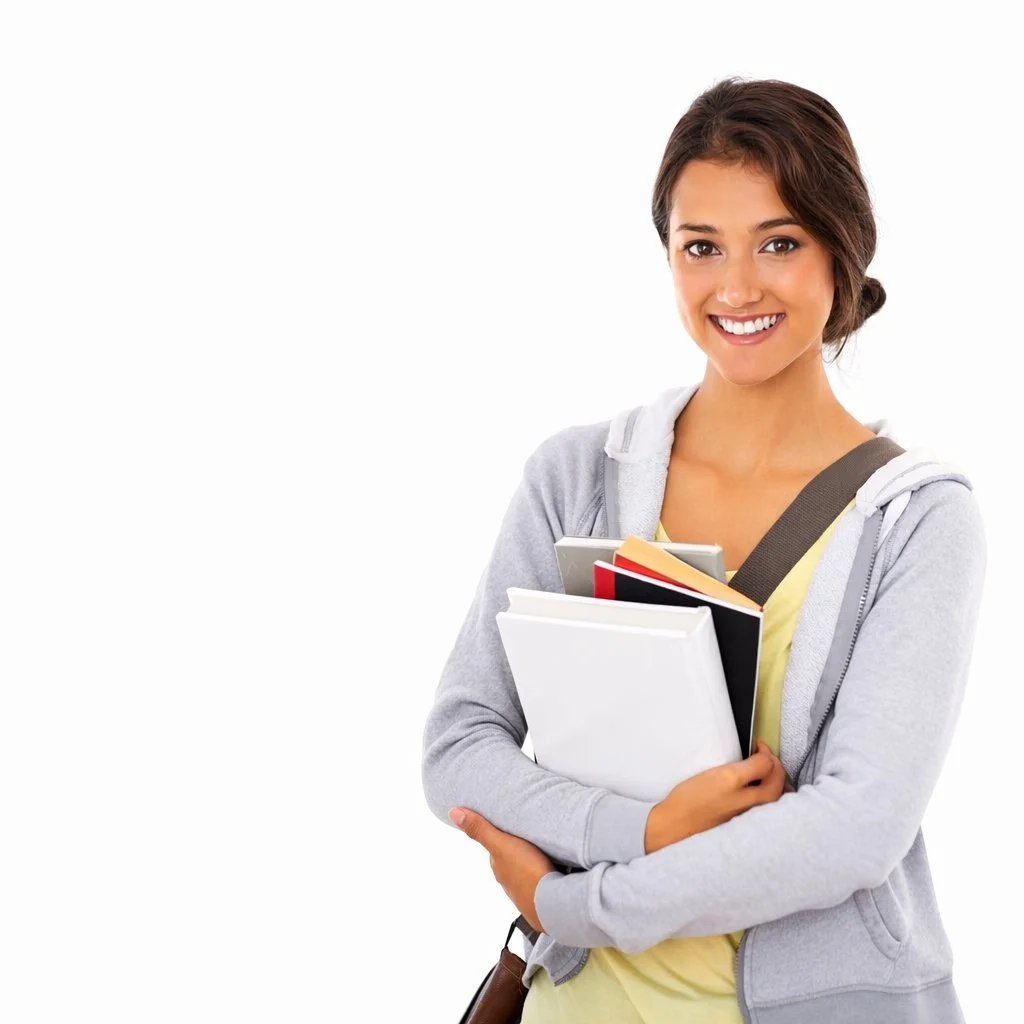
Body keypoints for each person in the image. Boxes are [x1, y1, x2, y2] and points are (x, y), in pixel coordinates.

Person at [420, 77, 986, 1023]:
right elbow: (459, 743)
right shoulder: (576, 475)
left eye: (779, 243)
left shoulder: (917, 520)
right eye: (701, 247)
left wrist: (579, 906)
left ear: (842, 253)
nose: (737, 286)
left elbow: (856, 829)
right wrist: (640, 828)